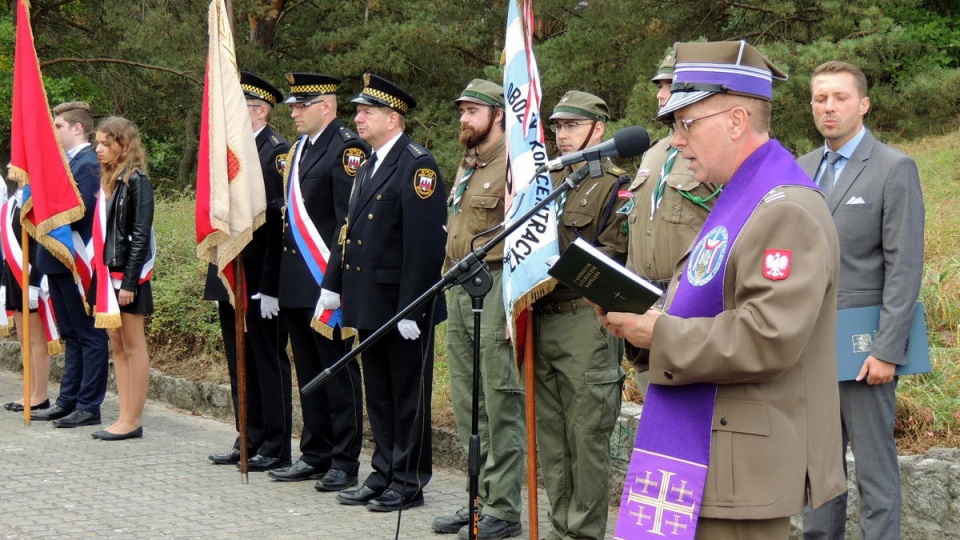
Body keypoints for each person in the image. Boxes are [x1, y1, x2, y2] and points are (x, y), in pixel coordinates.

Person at [599, 41, 845, 539]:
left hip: (740, 470)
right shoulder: (743, 198)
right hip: (713, 457)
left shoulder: (784, 209)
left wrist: (659, 333)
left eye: (686, 124)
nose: (678, 141)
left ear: (735, 121)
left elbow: (766, 337)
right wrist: (642, 317)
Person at [800, 61, 925, 540]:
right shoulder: (802, 168)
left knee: (874, 473)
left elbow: (904, 266)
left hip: (864, 349)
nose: (828, 107)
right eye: (819, 99)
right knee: (819, 473)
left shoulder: (894, 168)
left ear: (864, 104)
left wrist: (888, 348)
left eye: (840, 98)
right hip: (809, 348)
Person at [321, 73, 446, 512]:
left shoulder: (417, 166)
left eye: (366, 112)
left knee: (408, 394)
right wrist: (332, 287)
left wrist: (414, 305)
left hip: (402, 305)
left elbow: (424, 244)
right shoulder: (370, 162)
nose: (358, 118)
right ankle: (383, 471)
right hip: (369, 299)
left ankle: (408, 479)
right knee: (379, 392)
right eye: (358, 111)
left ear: (392, 118)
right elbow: (348, 231)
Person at [533, 90, 631, 540]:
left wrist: (558, 268)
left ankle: (586, 531)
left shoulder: (614, 183)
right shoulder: (546, 182)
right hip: (539, 318)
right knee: (551, 435)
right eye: (557, 126)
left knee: (587, 433)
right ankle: (559, 526)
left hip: (582, 317)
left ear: (598, 130)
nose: (562, 135)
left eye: (572, 125)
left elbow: (614, 253)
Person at [267, 73, 370, 485]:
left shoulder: (346, 149)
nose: (293, 111)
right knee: (308, 371)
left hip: (327, 281)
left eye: (301, 105)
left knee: (338, 373)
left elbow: (348, 222)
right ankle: (315, 452)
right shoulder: (296, 151)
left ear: (326, 105)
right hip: (297, 281)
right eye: (292, 105)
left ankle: (344, 460)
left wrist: (336, 283)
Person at [432, 79, 524, 540]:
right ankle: (476, 502)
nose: (464, 119)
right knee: (469, 406)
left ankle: (503, 509)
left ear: (499, 115)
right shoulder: (469, 164)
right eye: (462, 111)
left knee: (498, 401)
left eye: (473, 111)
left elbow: (526, 241)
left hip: (496, 285)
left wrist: (513, 303)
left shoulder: (514, 165)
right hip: (460, 287)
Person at [205, 72, 293, 471]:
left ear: (259, 111)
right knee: (237, 358)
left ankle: (274, 444)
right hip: (230, 269)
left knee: (265, 357)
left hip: (259, 273)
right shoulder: (226, 152)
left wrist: (273, 284)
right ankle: (248, 434)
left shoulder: (276, 153)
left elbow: (278, 225)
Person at [625, 53, 722, 397]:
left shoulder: (713, 152)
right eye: (659, 86)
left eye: (668, 85)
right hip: (644, 299)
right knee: (654, 412)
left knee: (689, 416)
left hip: (689, 305)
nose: (659, 94)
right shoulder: (653, 153)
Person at [28, 102, 109, 428]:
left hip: (77, 260)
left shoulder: (88, 164)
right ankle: (68, 400)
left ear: (78, 128)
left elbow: (83, 212)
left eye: (58, 126)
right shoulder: (63, 164)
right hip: (56, 259)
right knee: (71, 334)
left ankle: (89, 405)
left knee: (89, 335)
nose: (53, 131)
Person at [89, 116, 155, 441]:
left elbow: (141, 235)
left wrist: (130, 281)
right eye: (97, 143)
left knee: (133, 344)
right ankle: (123, 415)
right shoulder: (108, 180)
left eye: (105, 143)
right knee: (116, 344)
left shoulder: (136, 180)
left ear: (123, 144)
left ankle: (133, 419)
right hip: (107, 275)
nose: (98, 149)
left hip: (128, 278)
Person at [1, 179, 52, 414]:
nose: (12, 166)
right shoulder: (13, 201)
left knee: (35, 336)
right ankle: (29, 391)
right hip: (13, 272)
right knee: (23, 337)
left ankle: (40, 394)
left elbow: (39, 242)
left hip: (31, 273)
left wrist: (35, 282)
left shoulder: (37, 198)